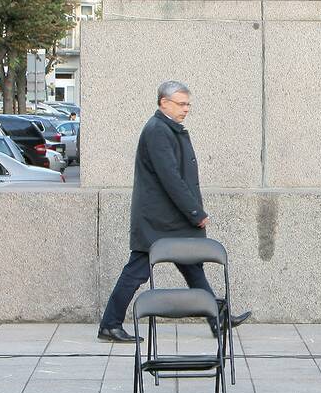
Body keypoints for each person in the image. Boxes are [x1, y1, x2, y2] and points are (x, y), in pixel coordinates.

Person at [97, 81, 249, 342]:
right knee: (137, 271)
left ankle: (218, 320)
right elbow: (171, 178)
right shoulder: (158, 130)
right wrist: (195, 212)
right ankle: (110, 324)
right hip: (159, 223)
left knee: (192, 267)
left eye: (188, 104)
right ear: (163, 103)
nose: (186, 109)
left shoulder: (167, 129)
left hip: (167, 221)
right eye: (181, 103)